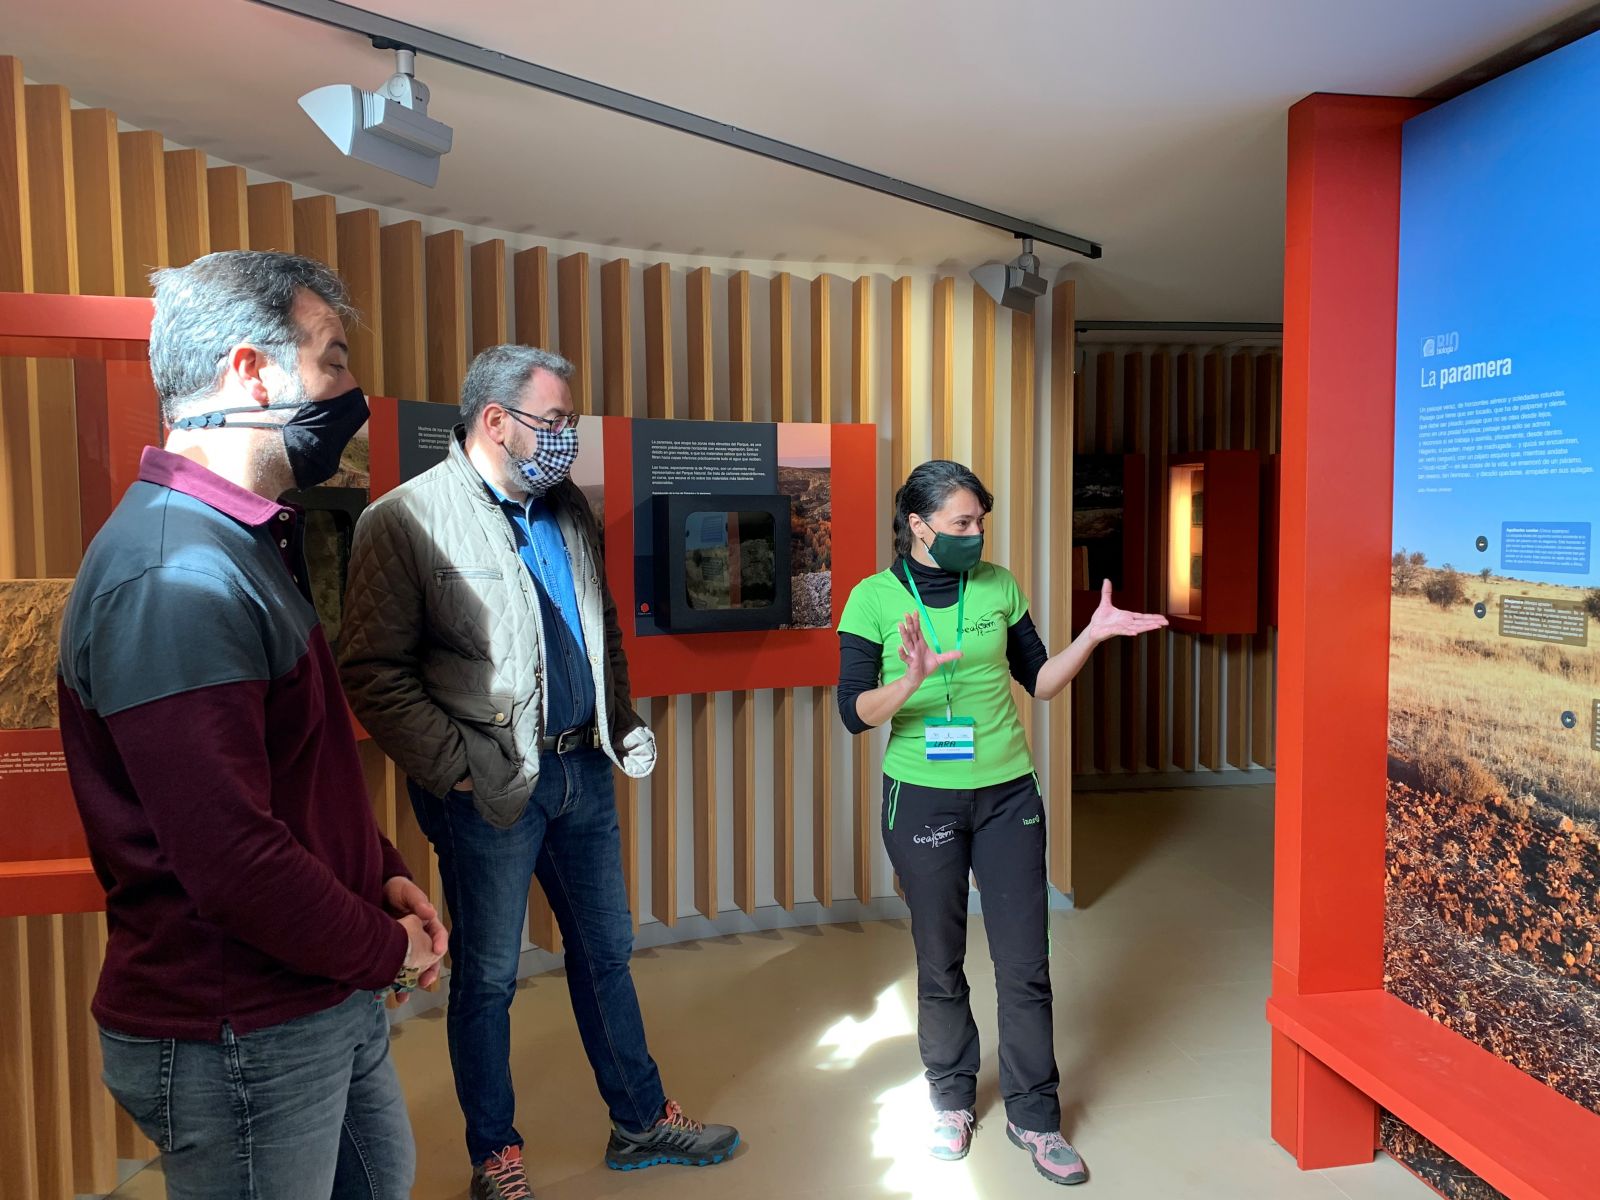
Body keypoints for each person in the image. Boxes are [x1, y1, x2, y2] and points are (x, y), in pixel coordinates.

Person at [55, 251, 447, 1199]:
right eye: (332, 359)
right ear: (249, 371)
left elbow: (292, 772)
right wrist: (385, 949)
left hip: (309, 996)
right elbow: (231, 858)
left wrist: (379, 873)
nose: (350, 393)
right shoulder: (173, 577)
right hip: (237, 1028)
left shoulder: (239, 542)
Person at [339, 344, 740, 1199]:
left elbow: (604, 631)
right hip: (486, 792)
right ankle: (495, 1156)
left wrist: (616, 721)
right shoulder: (403, 520)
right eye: (554, 421)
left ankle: (640, 1122)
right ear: (495, 420)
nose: (568, 437)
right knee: (487, 979)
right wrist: (458, 770)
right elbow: (373, 674)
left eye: (570, 422)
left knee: (607, 954)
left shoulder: (568, 509)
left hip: (582, 773)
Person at [835, 459, 1167, 1187]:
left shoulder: (999, 586)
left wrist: (1091, 636)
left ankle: (1035, 1115)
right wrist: (910, 680)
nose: (975, 534)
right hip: (921, 796)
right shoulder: (871, 599)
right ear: (919, 526)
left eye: (980, 521)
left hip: (1008, 795)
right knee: (940, 958)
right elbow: (853, 713)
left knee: (1024, 962)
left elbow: (1039, 681)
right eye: (961, 522)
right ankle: (952, 1099)